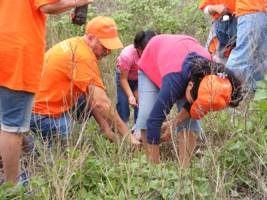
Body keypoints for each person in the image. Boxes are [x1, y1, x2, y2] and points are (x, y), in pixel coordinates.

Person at [0, 0, 92, 185]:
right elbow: (47, 5)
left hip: (5, 42)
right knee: (13, 127)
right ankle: (12, 185)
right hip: (19, 52)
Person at [30, 16, 141, 147]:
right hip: (39, 114)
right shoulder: (83, 57)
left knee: (87, 98)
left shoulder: (77, 44)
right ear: (90, 37)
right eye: (104, 46)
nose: (108, 52)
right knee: (70, 135)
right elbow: (101, 103)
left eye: (110, 47)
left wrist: (106, 129)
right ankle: (28, 145)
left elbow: (91, 97)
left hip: (39, 103)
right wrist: (128, 137)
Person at [135, 34, 243, 166]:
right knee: (147, 116)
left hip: (179, 53)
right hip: (153, 58)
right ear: (190, 85)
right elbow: (153, 122)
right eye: (194, 102)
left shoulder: (211, 75)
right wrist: (157, 171)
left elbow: (193, 107)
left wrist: (173, 123)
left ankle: (184, 170)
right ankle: (152, 168)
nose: (195, 106)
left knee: (191, 123)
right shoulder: (174, 81)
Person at [116, 30, 156, 137]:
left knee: (141, 105)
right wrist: (130, 96)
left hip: (140, 78)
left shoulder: (153, 54)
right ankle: (122, 133)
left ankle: (139, 132)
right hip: (125, 78)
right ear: (138, 49)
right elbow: (123, 79)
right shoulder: (127, 56)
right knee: (123, 104)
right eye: (146, 51)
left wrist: (138, 92)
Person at [226, 0, 267, 91]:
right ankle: (222, 90)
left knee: (261, 59)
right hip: (251, 9)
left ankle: (251, 94)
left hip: (260, 10)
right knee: (243, 55)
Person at [199, 0, 237, 64]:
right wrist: (215, 8)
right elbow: (205, 8)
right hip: (221, 30)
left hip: (243, 25)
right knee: (216, 62)